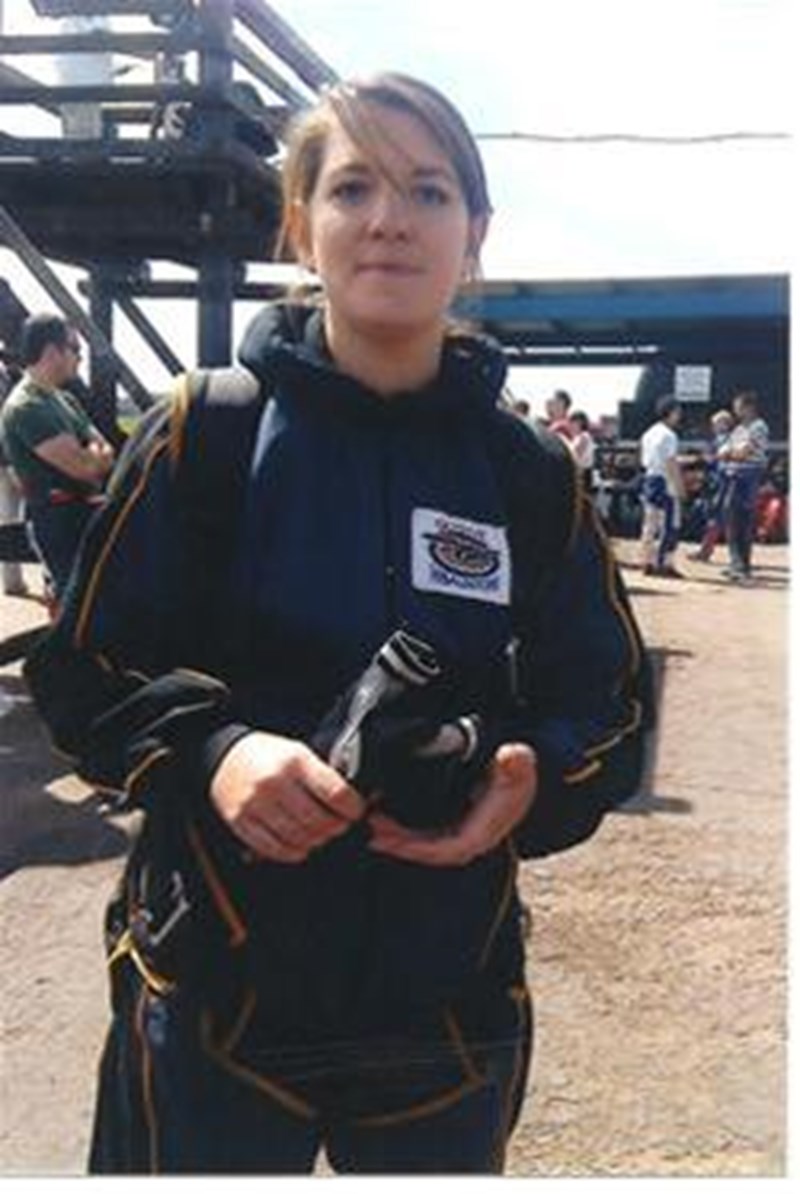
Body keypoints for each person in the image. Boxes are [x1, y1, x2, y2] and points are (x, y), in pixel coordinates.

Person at [24, 73, 650, 1175]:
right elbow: (83, 671)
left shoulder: (527, 473)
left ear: (474, 232)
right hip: (214, 998)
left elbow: (607, 700)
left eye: (428, 190)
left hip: (444, 1013)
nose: (390, 219)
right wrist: (218, 753)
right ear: (301, 224)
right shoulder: (205, 433)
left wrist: (530, 775)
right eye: (353, 187)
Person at [0, 314, 115, 604]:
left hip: (81, 515)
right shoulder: (26, 406)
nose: (81, 357)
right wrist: (94, 457)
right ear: (52, 352)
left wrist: (94, 457)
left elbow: (107, 451)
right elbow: (85, 467)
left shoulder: (66, 400)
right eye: (75, 349)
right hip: (59, 523)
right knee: (77, 605)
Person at [717, 390, 770, 583]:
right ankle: (736, 564)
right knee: (731, 519)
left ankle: (743, 567)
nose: (736, 411)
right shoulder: (739, 429)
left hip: (748, 476)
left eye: (739, 407)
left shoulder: (759, 427)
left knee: (743, 521)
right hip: (733, 476)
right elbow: (722, 451)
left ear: (749, 407)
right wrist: (731, 452)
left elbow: (743, 452)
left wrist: (730, 454)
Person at [638, 394, 685, 578]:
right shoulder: (669, 435)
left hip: (650, 478)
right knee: (670, 523)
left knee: (650, 523)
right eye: (677, 412)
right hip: (665, 481)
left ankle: (647, 561)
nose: (679, 416)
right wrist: (679, 486)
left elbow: (644, 460)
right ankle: (665, 563)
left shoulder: (648, 433)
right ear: (671, 412)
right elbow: (671, 463)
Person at [0, 344, 30, 596]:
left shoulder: (10, 379)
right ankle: (13, 581)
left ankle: (13, 580)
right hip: (10, 459)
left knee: (10, 517)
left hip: (8, 459)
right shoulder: (14, 381)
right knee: (14, 517)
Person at [688, 408, 734, 562]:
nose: (714, 427)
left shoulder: (727, 440)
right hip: (716, 481)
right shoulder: (719, 440)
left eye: (717, 423)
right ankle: (707, 550)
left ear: (725, 424)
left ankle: (706, 551)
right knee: (716, 517)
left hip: (723, 482)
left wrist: (707, 459)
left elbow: (719, 461)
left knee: (718, 517)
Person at [567, 409, 596, 491]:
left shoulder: (583, 436)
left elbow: (576, 454)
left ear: (580, 423)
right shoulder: (577, 437)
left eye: (573, 423)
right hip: (579, 473)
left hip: (582, 474)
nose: (571, 426)